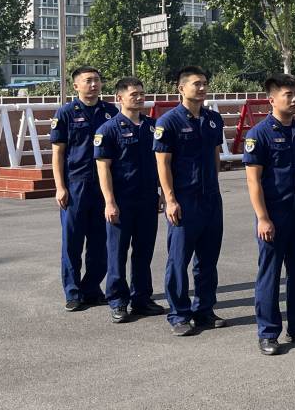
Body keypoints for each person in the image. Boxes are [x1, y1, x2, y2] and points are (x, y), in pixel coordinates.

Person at [243, 74, 295, 355]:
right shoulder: (259, 134)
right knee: (270, 274)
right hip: (274, 215)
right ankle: (268, 332)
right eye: (287, 95)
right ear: (271, 99)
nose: (294, 99)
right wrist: (262, 217)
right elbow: (253, 180)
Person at [154, 65, 227, 336]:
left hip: (210, 199)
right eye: (197, 83)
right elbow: (163, 163)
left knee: (208, 259)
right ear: (181, 88)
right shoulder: (169, 122)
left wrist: (214, 186)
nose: (202, 87)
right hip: (184, 199)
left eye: (205, 82)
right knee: (178, 260)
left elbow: (215, 155)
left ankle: (204, 310)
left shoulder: (213, 119)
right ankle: (179, 314)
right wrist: (170, 199)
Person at [94, 77, 165, 323]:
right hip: (121, 201)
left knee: (144, 252)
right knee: (117, 253)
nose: (139, 98)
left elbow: (161, 164)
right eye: (134, 94)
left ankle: (142, 299)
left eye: (142, 93)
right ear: (119, 98)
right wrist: (109, 201)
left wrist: (162, 193)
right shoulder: (108, 129)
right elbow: (103, 168)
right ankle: (117, 301)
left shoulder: (153, 127)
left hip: (147, 199)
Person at [51, 65, 119, 312]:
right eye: (88, 80)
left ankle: (91, 289)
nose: (94, 85)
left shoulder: (111, 112)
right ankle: (73, 292)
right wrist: (60, 187)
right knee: (72, 242)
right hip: (75, 185)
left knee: (100, 242)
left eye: (97, 80)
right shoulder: (66, 113)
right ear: (76, 86)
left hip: (103, 187)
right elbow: (58, 153)